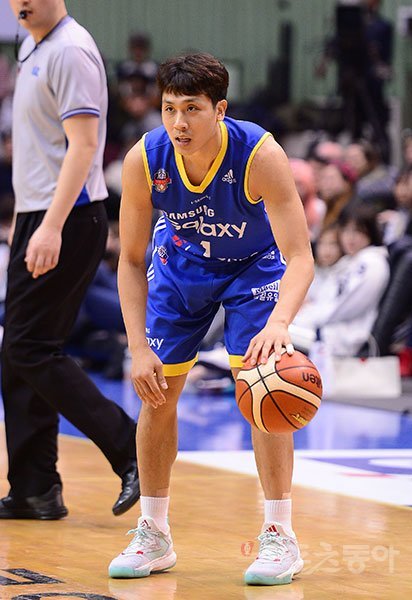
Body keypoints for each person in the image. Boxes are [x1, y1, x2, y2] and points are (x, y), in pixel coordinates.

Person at [108, 53, 314, 586]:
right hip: (181, 265)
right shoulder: (144, 160)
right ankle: (153, 532)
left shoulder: (260, 155)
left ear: (220, 109)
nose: (178, 123)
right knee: (158, 393)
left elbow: (300, 256)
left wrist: (279, 324)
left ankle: (280, 535)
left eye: (192, 109)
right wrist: (137, 348)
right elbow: (129, 261)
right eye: (169, 109)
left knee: (262, 385)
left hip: (253, 267)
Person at [0, 0, 140, 520]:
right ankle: (35, 488)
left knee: (30, 347)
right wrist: (29, 224)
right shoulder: (30, 45)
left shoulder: (71, 50)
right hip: (38, 215)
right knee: (18, 352)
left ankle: (132, 448)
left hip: (69, 216)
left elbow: (84, 147)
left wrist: (52, 226)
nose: (21, 2)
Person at [290, 206, 390, 357]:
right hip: (321, 329)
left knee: (275, 333)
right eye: (346, 230)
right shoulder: (351, 260)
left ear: (370, 232)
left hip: (339, 338)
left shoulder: (372, 263)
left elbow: (343, 308)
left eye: (358, 231)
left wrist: (303, 319)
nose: (350, 237)